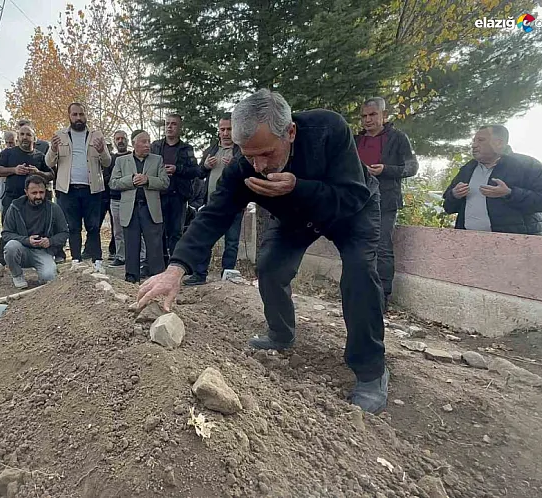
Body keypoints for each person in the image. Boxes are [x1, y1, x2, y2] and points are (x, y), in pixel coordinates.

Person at [137, 89, 388, 413]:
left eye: (267, 154)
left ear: (291, 132)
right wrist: (176, 269)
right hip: (297, 218)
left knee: (359, 273)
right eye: (249, 155)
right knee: (270, 267)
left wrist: (297, 186)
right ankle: (281, 333)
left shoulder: (328, 129)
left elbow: (351, 195)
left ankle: (371, 371)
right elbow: (213, 216)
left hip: (352, 208)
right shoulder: (244, 168)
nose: (259, 166)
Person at [356, 97, 419, 310]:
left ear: (384, 115)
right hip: (357, 202)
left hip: (385, 201)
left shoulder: (398, 138)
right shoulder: (355, 140)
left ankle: (381, 298)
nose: (368, 119)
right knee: (357, 247)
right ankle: (359, 292)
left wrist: (386, 170)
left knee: (382, 247)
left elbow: (412, 168)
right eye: (364, 116)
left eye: (373, 115)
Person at [443, 125, 542, 235]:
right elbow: (448, 207)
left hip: (515, 245)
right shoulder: (467, 169)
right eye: (474, 141)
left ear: (499, 143)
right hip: (469, 243)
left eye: (480, 140)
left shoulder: (527, 165)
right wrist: (454, 195)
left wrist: (510, 193)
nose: (474, 145)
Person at [45, 102, 111, 272]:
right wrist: (53, 149)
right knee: (73, 227)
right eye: (75, 115)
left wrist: (102, 150)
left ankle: (97, 262)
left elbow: (107, 162)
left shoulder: (96, 135)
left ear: (85, 115)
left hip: (92, 189)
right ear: (69, 116)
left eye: (81, 114)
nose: (78, 118)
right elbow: (49, 162)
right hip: (68, 190)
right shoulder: (60, 136)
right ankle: (76, 260)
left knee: (93, 226)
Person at [185, 112, 243, 286]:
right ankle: (199, 274)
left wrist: (235, 164)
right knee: (205, 239)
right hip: (210, 204)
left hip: (234, 203)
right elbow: (199, 173)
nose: (225, 133)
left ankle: (227, 276)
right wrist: (205, 165)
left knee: (231, 242)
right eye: (222, 129)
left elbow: (249, 173)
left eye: (229, 129)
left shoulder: (241, 150)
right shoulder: (212, 149)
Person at [0, 125, 54, 276]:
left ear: (34, 138)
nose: (25, 137)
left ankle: (42, 259)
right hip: (12, 199)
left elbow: (51, 175)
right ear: (18, 137)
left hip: (34, 202)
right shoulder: (8, 153)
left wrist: (38, 172)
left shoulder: (39, 156)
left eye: (28, 135)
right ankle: (0, 261)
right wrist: (14, 170)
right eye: (22, 134)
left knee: (38, 230)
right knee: (8, 231)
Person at [110, 130, 169, 283]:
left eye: (149, 141)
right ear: (134, 143)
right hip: (130, 209)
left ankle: (157, 277)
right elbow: (113, 183)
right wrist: (131, 180)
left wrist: (148, 180)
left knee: (155, 245)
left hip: (150, 209)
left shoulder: (157, 160)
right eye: (143, 142)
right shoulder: (121, 161)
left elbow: (165, 182)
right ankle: (131, 277)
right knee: (131, 244)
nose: (147, 145)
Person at [2, 176, 69, 289]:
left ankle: (47, 271)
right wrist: (27, 240)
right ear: (26, 192)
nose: (38, 196)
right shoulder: (15, 207)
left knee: (49, 278)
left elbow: (64, 233)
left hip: (44, 252)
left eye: (41, 192)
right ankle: (17, 275)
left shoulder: (54, 208)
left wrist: (50, 241)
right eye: (34, 192)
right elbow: (6, 234)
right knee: (10, 246)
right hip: (22, 249)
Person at [150, 113, 199, 264]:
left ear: (180, 128)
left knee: (176, 233)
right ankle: (160, 263)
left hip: (178, 195)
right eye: (167, 124)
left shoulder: (186, 149)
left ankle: (176, 264)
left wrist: (177, 169)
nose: (169, 127)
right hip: (158, 194)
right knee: (158, 231)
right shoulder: (156, 146)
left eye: (173, 124)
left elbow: (195, 171)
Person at [108, 130, 131, 266]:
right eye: (118, 139)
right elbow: (109, 180)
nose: (120, 141)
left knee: (133, 229)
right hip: (115, 198)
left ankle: (138, 256)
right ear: (115, 141)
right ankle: (121, 256)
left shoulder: (133, 156)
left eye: (123, 138)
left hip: (131, 197)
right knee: (117, 230)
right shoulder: (111, 160)